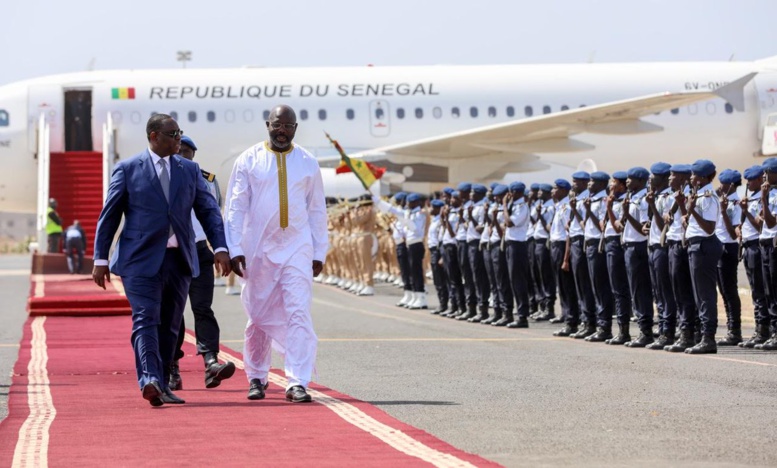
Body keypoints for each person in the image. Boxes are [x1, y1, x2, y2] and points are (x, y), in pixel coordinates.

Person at [93, 114, 231, 407]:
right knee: (146, 319)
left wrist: (220, 247)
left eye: (179, 133)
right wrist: (100, 258)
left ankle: (164, 381)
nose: (178, 138)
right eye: (172, 134)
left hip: (178, 259)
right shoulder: (129, 169)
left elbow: (208, 212)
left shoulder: (190, 170)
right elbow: (110, 215)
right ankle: (150, 380)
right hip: (139, 260)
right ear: (154, 136)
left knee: (169, 325)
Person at [225, 105, 328, 403]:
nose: (281, 130)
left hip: (298, 247)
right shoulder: (248, 160)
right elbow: (235, 208)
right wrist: (233, 248)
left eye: (288, 126)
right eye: (276, 125)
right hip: (258, 248)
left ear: (295, 128)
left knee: (298, 311)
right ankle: (256, 376)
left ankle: (297, 380)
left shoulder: (308, 162)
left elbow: (317, 209)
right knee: (257, 316)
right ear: (267, 125)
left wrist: (319, 249)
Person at [168, 135, 236, 391]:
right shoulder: (164, 179)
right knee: (174, 312)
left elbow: (213, 215)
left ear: (194, 156)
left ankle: (211, 362)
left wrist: (221, 248)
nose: (183, 155)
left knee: (203, 308)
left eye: (188, 152)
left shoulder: (207, 180)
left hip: (198, 250)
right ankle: (173, 366)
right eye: (179, 151)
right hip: (173, 253)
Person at [683, 159, 723, 354]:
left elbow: (709, 228)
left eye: (694, 175)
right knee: (700, 294)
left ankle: (708, 339)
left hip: (704, 245)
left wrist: (692, 211)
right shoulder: (698, 195)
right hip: (696, 245)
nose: (691, 178)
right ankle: (702, 336)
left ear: (704, 178)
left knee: (705, 294)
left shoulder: (707, 197)